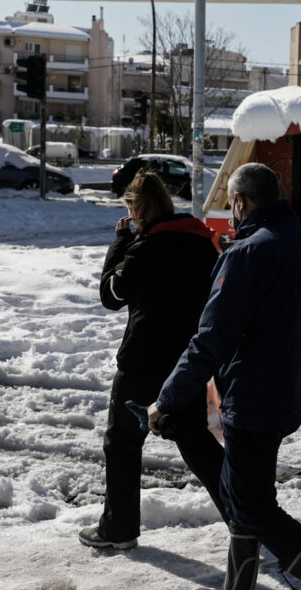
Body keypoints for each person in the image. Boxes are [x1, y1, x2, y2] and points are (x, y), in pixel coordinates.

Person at [149, 163, 301, 590]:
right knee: (244, 498)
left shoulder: (245, 254)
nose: (232, 213)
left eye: (231, 204)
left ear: (241, 201)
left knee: (254, 508)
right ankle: (237, 588)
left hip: (254, 403)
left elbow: (210, 340)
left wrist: (165, 400)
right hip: (292, 399)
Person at [80, 172, 227, 550]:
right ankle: (249, 522)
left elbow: (111, 295)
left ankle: (119, 529)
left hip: (143, 363)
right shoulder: (202, 242)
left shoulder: (145, 249)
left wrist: (120, 244)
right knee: (197, 443)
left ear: (136, 209)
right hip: (189, 361)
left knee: (123, 443)